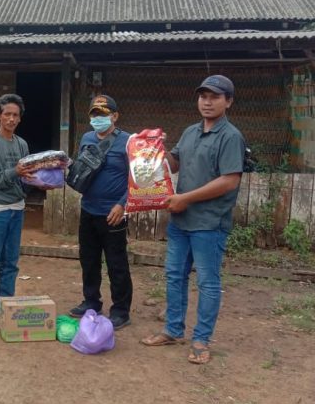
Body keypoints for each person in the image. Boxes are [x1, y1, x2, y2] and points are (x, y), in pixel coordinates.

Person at [141, 75, 245, 365]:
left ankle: (201, 340)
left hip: (209, 223)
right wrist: (156, 148)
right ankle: (173, 330)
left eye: (214, 97)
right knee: (174, 275)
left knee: (208, 283)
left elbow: (229, 180)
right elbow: (175, 162)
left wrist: (186, 198)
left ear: (228, 101)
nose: (207, 102)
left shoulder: (230, 136)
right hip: (181, 221)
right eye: (203, 96)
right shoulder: (190, 132)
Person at [68, 94, 133, 330]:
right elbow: (82, 166)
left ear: (115, 116)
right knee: (89, 259)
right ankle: (91, 301)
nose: (98, 119)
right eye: (95, 114)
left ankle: (121, 311)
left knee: (116, 263)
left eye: (104, 115)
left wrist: (122, 204)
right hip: (88, 209)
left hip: (113, 212)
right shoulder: (87, 137)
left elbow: (137, 177)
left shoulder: (128, 141)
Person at [0, 94, 34, 325]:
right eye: (7, 114)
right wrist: (16, 172)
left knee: (11, 261)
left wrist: (39, 177)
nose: (11, 119)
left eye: (15, 115)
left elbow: (26, 176)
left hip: (17, 208)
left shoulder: (22, 144)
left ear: (20, 119)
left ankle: (5, 302)